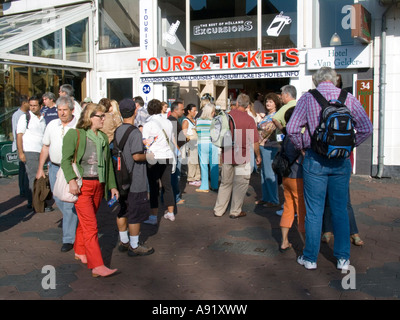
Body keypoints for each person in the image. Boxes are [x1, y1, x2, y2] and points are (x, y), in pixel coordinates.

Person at [286, 67, 373, 270]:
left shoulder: (308, 98)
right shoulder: (348, 97)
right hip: (341, 161)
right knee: (340, 209)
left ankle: (310, 259)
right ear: (335, 80)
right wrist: (349, 147)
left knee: (314, 211)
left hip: (315, 159)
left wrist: (303, 147)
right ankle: (343, 259)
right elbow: (366, 127)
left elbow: (291, 129)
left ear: (316, 81)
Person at [61, 103, 119, 278]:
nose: (103, 119)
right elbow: (65, 160)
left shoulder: (102, 137)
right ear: (89, 117)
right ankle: (97, 265)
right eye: (100, 116)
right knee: (91, 226)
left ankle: (79, 250)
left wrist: (112, 186)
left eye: (104, 116)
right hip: (82, 186)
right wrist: (71, 180)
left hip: (98, 186)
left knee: (86, 222)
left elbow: (108, 164)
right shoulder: (75, 134)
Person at [35, 96, 78, 252]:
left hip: (70, 168)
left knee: (68, 204)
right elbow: (45, 147)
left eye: (65, 110)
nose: (61, 113)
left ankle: (69, 239)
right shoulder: (52, 125)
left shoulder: (78, 126)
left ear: (72, 110)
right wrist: (40, 169)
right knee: (57, 197)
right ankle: (75, 220)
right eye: (59, 110)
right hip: (53, 167)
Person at [114, 99, 154, 256]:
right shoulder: (135, 132)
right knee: (135, 212)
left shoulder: (118, 130)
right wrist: (149, 156)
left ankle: (123, 241)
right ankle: (134, 245)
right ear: (135, 112)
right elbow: (137, 156)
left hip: (120, 177)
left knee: (122, 210)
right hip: (134, 178)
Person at [213, 93, 261, 218]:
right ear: (248, 106)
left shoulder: (227, 116)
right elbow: (255, 141)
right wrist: (258, 156)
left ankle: (219, 210)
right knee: (240, 184)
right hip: (242, 154)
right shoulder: (249, 120)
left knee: (225, 183)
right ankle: (235, 211)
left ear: (237, 103)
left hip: (228, 152)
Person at [142, 99, 176, 224]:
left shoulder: (148, 124)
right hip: (167, 156)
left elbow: (145, 142)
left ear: (149, 110)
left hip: (154, 157)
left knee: (154, 186)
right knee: (167, 185)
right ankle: (171, 213)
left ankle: (153, 216)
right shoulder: (168, 122)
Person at [278, 107, 305, 252]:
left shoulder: (287, 134)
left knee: (288, 208)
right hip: (297, 176)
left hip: (286, 175)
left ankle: (284, 241)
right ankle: (306, 244)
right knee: (301, 210)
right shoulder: (298, 135)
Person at [16, 96, 47, 211]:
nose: (32, 108)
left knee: (38, 177)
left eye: (35, 105)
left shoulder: (42, 119)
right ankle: (34, 203)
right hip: (30, 151)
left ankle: (36, 201)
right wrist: (21, 153)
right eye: (31, 105)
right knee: (33, 177)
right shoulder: (24, 117)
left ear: (40, 106)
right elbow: (19, 135)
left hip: (40, 151)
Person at [256, 92, 282, 207]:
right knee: (263, 173)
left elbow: (268, 130)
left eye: (271, 101)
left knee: (270, 173)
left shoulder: (275, 116)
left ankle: (273, 199)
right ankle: (266, 197)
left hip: (270, 147)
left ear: (276, 103)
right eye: (267, 101)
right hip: (262, 146)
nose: (268, 103)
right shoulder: (267, 115)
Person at [195, 103, 219, 193]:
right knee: (214, 165)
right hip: (213, 144)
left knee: (204, 165)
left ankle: (204, 185)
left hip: (202, 143)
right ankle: (214, 185)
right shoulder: (214, 121)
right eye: (213, 111)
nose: (214, 113)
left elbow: (197, 131)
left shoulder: (198, 120)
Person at [12, 95, 30, 199]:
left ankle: (24, 188)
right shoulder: (18, 115)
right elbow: (16, 132)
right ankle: (23, 189)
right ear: (24, 103)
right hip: (21, 146)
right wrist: (20, 148)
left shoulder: (27, 114)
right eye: (28, 103)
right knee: (22, 169)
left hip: (25, 145)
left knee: (24, 168)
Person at [168, 100, 186, 205]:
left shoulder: (174, 120)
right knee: (175, 176)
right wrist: (178, 150)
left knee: (174, 176)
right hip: (175, 152)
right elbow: (173, 138)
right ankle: (175, 197)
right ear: (175, 110)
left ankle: (173, 197)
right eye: (182, 109)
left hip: (176, 151)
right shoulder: (172, 121)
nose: (183, 111)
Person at [182, 103, 201, 186]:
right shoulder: (186, 121)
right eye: (194, 110)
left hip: (196, 143)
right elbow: (184, 133)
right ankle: (191, 178)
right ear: (189, 111)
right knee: (192, 162)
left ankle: (197, 177)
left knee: (197, 161)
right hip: (191, 144)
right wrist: (189, 138)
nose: (195, 112)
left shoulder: (194, 120)